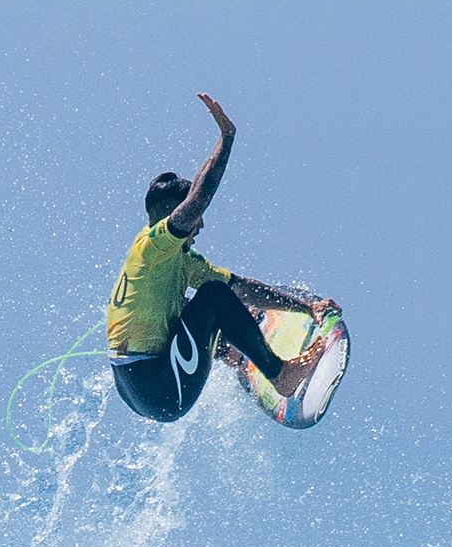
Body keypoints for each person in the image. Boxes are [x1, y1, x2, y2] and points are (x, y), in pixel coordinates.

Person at [105, 93, 333, 422]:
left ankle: (230, 351)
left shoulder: (177, 261)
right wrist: (226, 139)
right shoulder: (153, 246)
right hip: (159, 388)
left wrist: (306, 306)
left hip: (138, 389)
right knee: (211, 296)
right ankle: (281, 374)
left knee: (203, 297)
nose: (201, 223)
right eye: (191, 216)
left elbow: (240, 288)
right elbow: (197, 201)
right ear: (172, 214)